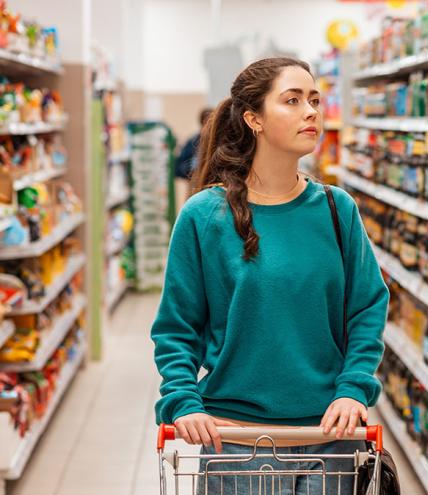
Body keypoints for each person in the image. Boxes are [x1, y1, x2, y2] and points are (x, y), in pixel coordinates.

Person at [151, 57, 389, 495]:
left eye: (314, 100)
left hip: (329, 438)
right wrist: (182, 400)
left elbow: (367, 309)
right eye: (293, 100)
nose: (312, 111)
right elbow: (176, 327)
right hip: (235, 442)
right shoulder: (204, 216)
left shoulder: (338, 210)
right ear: (253, 118)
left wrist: (354, 390)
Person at [174, 107, 213, 179]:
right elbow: (179, 167)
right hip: (195, 181)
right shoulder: (192, 141)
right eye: (207, 121)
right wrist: (192, 170)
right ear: (202, 122)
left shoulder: (220, 140)